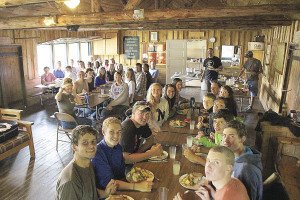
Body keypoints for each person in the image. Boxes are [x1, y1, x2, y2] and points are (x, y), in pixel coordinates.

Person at [92, 117, 154, 192]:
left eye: (119, 132)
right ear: (103, 132)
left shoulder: (118, 147)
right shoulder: (97, 153)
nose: (116, 136)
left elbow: (121, 175)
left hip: (121, 187)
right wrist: (137, 186)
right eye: (112, 132)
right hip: (107, 193)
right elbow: (109, 184)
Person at [55, 125, 117, 200]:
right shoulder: (71, 182)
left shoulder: (88, 164)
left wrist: (105, 193)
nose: (91, 146)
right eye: (85, 143)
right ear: (74, 147)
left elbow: (90, 192)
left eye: (93, 142)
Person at [174, 146, 250, 200]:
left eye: (216, 162)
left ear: (228, 168)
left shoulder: (228, 196)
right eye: (208, 160)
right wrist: (212, 193)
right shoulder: (233, 181)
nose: (208, 166)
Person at [222, 120, 263, 200]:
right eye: (224, 135)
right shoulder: (240, 153)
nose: (225, 140)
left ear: (242, 139)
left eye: (231, 136)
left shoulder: (246, 168)